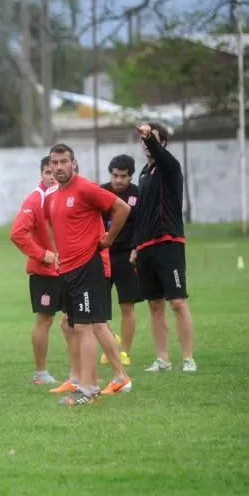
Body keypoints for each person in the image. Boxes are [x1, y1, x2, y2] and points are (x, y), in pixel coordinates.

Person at [44, 144, 132, 406]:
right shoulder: (53, 197)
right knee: (77, 326)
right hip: (67, 270)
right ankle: (94, 382)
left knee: (85, 327)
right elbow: (54, 225)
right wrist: (57, 252)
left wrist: (108, 239)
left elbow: (122, 209)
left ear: (74, 163)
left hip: (87, 267)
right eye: (54, 162)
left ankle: (89, 389)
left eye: (63, 162)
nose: (59, 167)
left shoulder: (84, 188)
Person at [132, 123, 196, 372]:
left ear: (163, 145)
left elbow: (158, 152)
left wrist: (150, 138)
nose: (147, 145)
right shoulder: (143, 174)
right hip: (146, 247)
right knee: (154, 305)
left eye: (153, 141)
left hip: (168, 243)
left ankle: (188, 358)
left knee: (178, 303)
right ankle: (163, 360)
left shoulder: (170, 167)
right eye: (145, 141)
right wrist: (135, 247)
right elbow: (141, 214)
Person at [9, 156, 70, 385]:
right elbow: (17, 233)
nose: (52, 176)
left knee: (73, 320)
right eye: (47, 172)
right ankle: (41, 374)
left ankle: (77, 371)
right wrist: (43, 255)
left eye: (55, 171)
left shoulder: (67, 196)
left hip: (70, 269)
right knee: (45, 320)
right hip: (45, 273)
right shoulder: (36, 199)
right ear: (41, 175)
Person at [101, 155, 143, 366]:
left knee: (127, 306)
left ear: (130, 176)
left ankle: (124, 352)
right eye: (115, 175)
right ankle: (110, 341)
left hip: (127, 256)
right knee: (97, 307)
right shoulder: (100, 192)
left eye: (123, 176)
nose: (118, 180)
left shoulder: (137, 194)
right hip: (102, 256)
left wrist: (136, 248)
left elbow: (141, 226)